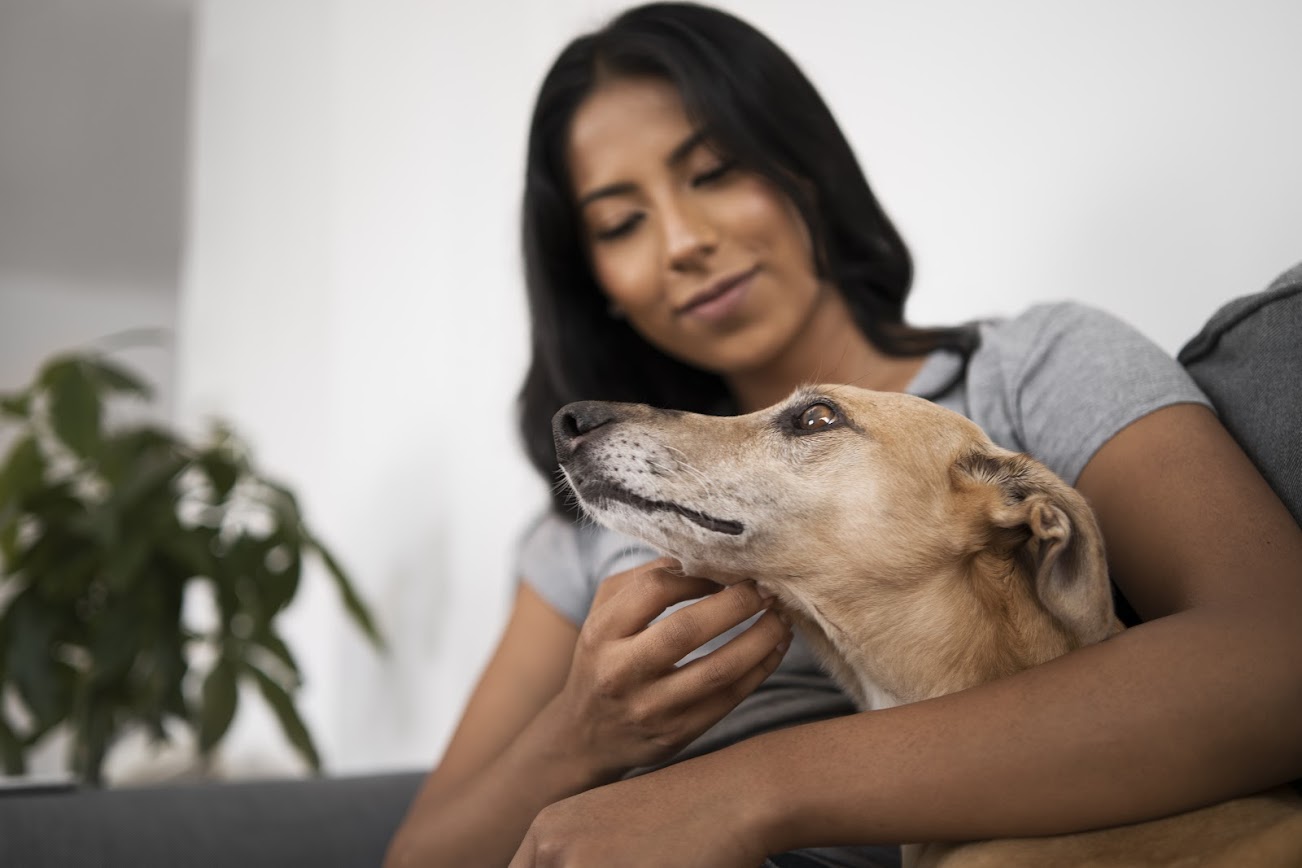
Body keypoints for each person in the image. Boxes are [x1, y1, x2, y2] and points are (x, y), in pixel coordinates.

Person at [385, 4, 1302, 866]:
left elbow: (1276, 653)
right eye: (621, 224)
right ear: (598, 284)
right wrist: (584, 736)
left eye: (713, 173)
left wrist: (747, 793)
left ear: (805, 171)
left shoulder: (1028, 371)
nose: (681, 242)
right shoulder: (582, 526)